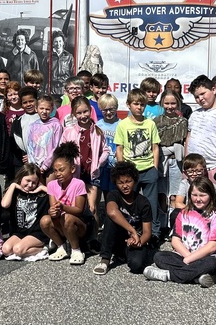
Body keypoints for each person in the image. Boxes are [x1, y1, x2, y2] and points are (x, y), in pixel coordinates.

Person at [143, 177, 216, 288]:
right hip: (186, 255)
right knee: (159, 256)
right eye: (194, 195)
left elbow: (212, 247)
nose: (198, 199)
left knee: (211, 264)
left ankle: (168, 275)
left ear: (211, 195)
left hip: (210, 257)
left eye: (202, 195)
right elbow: (175, 240)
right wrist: (188, 256)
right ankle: (197, 277)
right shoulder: (183, 213)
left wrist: (189, 259)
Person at [115, 87, 162, 238]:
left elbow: (155, 147)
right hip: (131, 170)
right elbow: (119, 149)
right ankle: (132, 230)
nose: (139, 107)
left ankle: (154, 233)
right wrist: (122, 170)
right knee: (130, 202)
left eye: (142, 104)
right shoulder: (123, 124)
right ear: (129, 105)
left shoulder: (150, 124)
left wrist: (155, 167)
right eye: (136, 104)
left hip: (148, 168)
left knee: (151, 203)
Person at [95, 161, 154, 276]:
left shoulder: (143, 202)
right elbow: (112, 212)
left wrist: (138, 242)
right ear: (116, 183)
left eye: (128, 181)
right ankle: (105, 259)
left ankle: (123, 254)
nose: (125, 186)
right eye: (120, 182)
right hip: (117, 235)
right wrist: (132, 230)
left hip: (134, 239)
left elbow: (147, 232)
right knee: (111, 219)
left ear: (135, 181)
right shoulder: (114, 195)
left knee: (136, 265)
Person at [59, 96, 108, 218]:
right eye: (79, 113)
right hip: (75, 175)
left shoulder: (98, 130)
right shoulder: (68, 132)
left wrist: (99, 163)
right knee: (75, 207)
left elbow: (106, 150)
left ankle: (93, 236)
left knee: (92, 208)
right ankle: (77, 234)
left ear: (90, 110)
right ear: (73, 114)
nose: (83, 115)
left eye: (85, 111)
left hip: (92, 174)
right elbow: (62, 153)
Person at [42, 142, 91, 265]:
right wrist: (52, 211)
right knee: (44, 220)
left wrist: (63, 207)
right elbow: (53, 209)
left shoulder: (78, 184)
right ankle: (61, 247)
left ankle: (76, 250)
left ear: (72, 169)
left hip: (77, 224)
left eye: (62, 170)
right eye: (55, 171)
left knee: (68, 217)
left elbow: (79, 210)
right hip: (61, 222)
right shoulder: (52, 185)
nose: (58, 173)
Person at [1, 164, 52, 261]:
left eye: (34, 182)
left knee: (18, 250)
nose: (30, 185)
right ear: (21, 178)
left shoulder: (41, 194)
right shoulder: (16, 192)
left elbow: (59, 197)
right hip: (20, 231)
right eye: (27, 181)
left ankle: (43, 248)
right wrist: (13, 185)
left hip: (37, 232)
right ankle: (27, 247)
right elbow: (4, 204)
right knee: (6, 250)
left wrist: (42, 188)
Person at [186, 76, 216, 173]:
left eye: (203, 94)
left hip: (212, 168)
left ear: (213, 90)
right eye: (196, 96)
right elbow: (188, 138)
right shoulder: (194, 114)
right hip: (192, 169)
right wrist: (186, 163)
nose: (200, 98)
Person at [156, 89, 189, 197]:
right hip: (161, 160)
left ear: (178, 103)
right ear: (161, 103)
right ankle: (161, 214)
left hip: (177, 161)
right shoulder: (155, 121)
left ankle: (174, 214)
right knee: (161, 194)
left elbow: (185, 142)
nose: (170, 106)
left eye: (173, 103)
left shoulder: (183, 122)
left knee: (175, 194)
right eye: (166, 103)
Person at [27, 94, 63, 177]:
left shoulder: (56, 124)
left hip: (50, 165)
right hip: (35, 165)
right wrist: (32, 164)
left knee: (49, 188)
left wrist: (45, 166)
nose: (44, 111)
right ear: (36, 109)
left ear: (51, 110)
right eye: (41, 108)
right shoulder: (33, 125)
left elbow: (56, 146)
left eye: (47, 109)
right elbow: (30, 146)